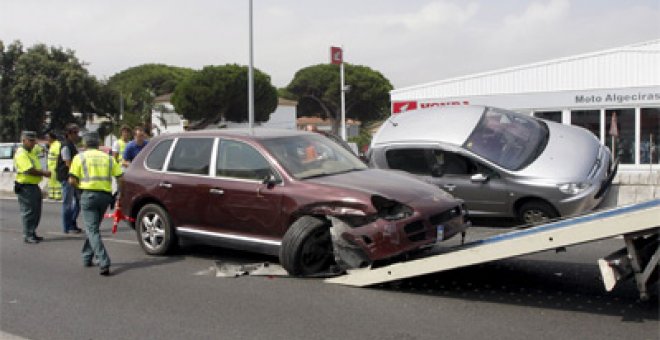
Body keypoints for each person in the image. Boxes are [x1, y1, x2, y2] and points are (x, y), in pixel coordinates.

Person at [68, 132, 123, 276]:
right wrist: (117, 193)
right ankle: (86, 257)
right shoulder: (108, 158)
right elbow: (120, 177)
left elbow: (72, 180)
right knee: (93, 228)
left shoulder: (79, 157)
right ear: (98, 144)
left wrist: (80, 191)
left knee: (91, 230)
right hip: (105, 196)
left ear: (85, 144)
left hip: (88, 195)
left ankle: (104, 261)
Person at [14, 131, 51, 243]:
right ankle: (28, 235)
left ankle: (32, 232)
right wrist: (44, 173)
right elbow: (29, 170)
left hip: (33, 185)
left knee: (36, 211)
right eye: (30, 140)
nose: (33, 143)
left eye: (34, 140)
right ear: (24, 140)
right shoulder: (21, 153)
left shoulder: (31, 150)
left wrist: (41, 142)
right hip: (25, 186)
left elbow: (43, 148)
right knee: (28, 211)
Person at [57, 123, 82, 234]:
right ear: (69, 134)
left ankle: (72, 223)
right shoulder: (66, 146)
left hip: (74, 177)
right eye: (75, 132)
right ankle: (67, 226)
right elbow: (68, 163)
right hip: (68, 177)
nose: (77, 135)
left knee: (78, 201)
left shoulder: (72, 145)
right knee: (67, 203)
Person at [46, 131, 62, 200]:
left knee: (57, 182)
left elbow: (59, 156)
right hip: (51, 167)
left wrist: (58, 166)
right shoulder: (52, 145)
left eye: (48, 137)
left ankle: (58, 196)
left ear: (52, 138)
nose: (47, 139)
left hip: (56, 167)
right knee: (51, 181)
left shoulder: (57, 145)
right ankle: (51, 195)